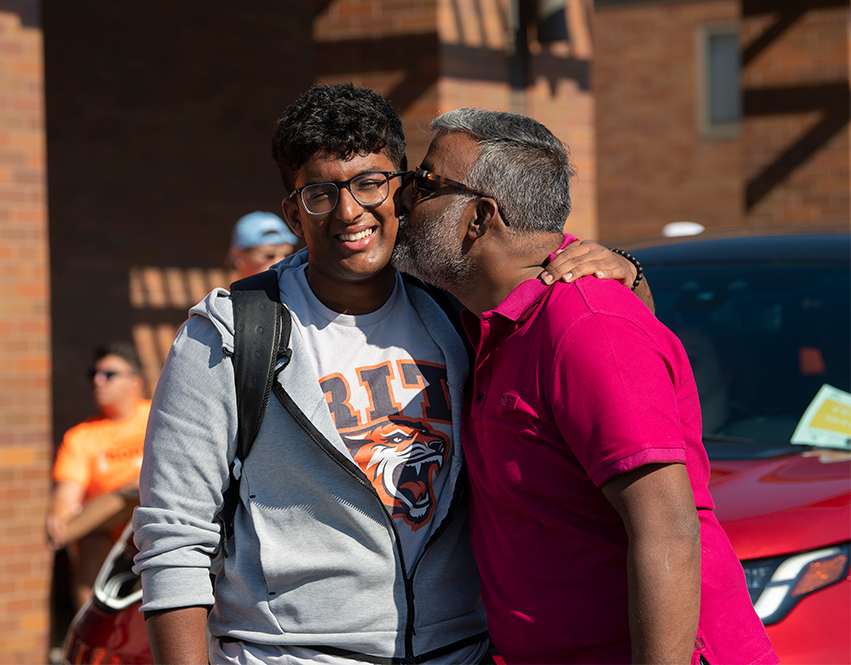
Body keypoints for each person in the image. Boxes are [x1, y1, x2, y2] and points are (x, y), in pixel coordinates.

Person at [131, 84, 643, 664]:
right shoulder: (231, 332)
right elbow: (173, 535)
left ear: (402, 191)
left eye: (370, 183)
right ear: (293, 214)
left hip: (463, 652)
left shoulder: (459, 307)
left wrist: (627, 268)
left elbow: (592, 325)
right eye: (321, 194)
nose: (350, 212)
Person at [391, 109, 776, 664]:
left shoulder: (588, 328)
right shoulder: (492, 322)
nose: (405, 198)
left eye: (425, 183)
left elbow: (667, 528)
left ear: (479, 217)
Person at [46, 341, 151, 610]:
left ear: (135, 382)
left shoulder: (157, 416)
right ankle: (92, 628)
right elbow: (63, 511)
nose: (98, 380)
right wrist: (62, 524)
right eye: (93, 373)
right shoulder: (81, 436)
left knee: (142, 487)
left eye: (109, 374)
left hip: (152, 522)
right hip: (106, 537)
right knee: (90, 539)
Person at [228, 210, 298, 279]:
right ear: (238, 256)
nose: (280, 262)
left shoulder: (297, 289)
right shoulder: (221, 290)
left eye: (287, 255)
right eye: (269, 256)